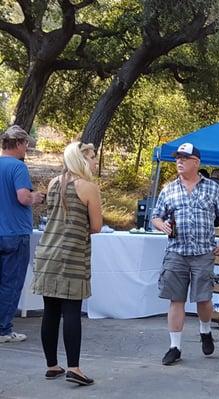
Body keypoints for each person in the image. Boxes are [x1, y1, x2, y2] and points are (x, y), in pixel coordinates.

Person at [152, 143, 219, 366]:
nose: (179, 161)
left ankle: (205, 330)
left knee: (203, 298)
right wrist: (162, 225)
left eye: (184, 158)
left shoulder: (212, 188)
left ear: (196, 162)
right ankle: (174, 346)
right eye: (177, 158)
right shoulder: (169, 189)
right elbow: (155, 216)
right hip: (177, 252)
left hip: (203, 252)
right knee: (175, 299)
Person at [32, 141, 102, 386]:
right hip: (71, 255)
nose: (95, 162)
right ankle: (74, 367)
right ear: (81, 160)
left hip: (47, 253)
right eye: (92, 157)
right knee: (71, 311)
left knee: (50, 310)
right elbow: (95, 226)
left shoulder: (53, 183)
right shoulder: (88, 187)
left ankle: (52, 365)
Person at [0, 125, 45, 343]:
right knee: (11, 282)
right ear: (18, 144)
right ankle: (3, 330)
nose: (27, 148)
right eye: (26, 144)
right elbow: (23, 197)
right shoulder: (18, 167)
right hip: (15, 233)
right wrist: (37, 197)